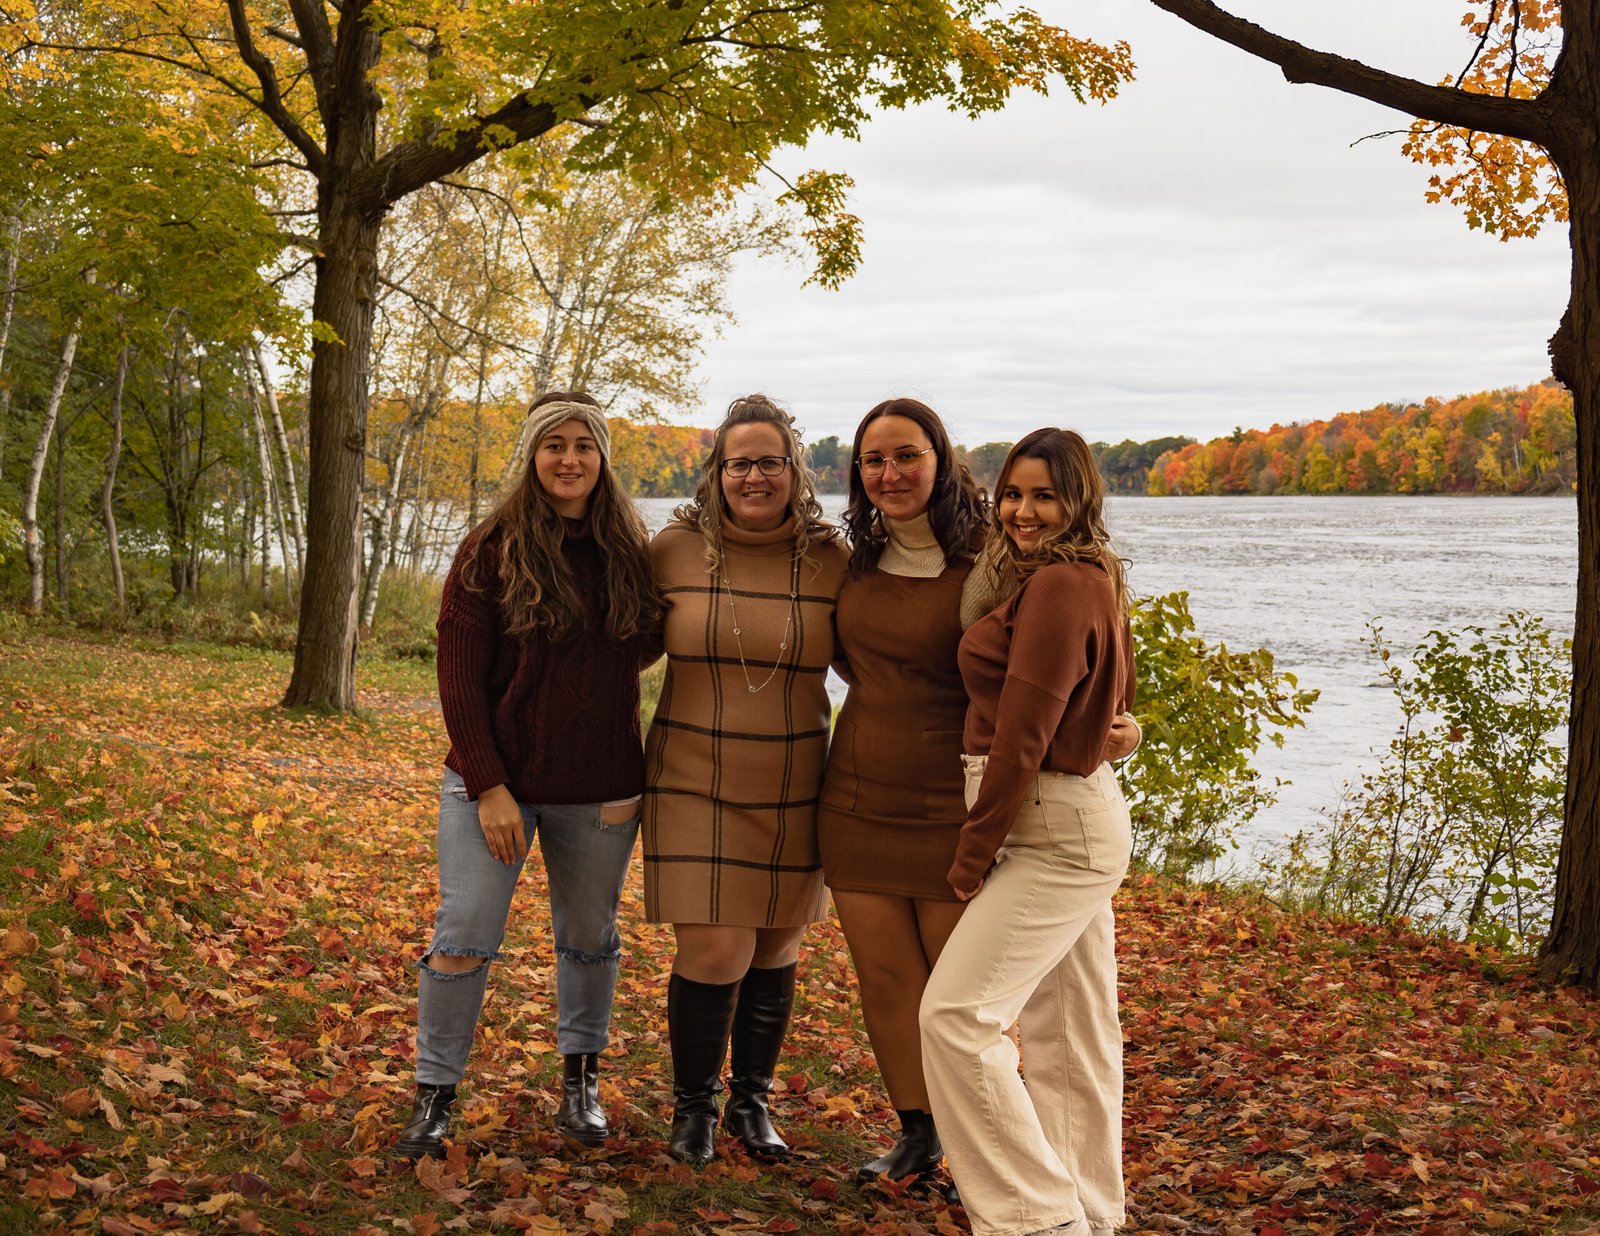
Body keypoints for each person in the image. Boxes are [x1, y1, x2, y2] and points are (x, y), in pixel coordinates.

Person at [820, 402, 1140, 1188]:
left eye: (906, 455)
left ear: (942, 459)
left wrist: (1112, 732)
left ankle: (1002, 1162)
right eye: (872, 461)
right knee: (890, 980)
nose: (889, 474)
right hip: (859, 786)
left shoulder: (997, 560)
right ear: (857, 475)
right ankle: (918, 1134)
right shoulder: (843, 560)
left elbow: (1072, 672)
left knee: (968, 999)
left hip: (967, 802)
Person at [396, 392, 660, 1160]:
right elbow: (458, 679)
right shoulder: (490, 548)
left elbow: (637, 648)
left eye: (584, 444)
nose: (569, 458)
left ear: (603, 457)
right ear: (532, 456)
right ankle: (435, 1096)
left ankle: (581, 1083)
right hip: (493, 783)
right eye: (554, 445)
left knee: (588, 938)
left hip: (602, 785)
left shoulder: (628, 551)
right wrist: (491, 785)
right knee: (465, 935)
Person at [919, 427, 1136, 1236]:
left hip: (1049, 826)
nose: (1023, 510)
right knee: (1071, 1033)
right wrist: (1128, 730)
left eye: (1045, 495)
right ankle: (1088, 1211)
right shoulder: (1075, 578)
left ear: (1079, 499)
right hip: (1067, 813)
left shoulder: (1059, 585)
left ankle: (1037, 1220)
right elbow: (1114, 694)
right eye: (1013, 493)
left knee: (955, 1019)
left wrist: (971, 857)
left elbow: (1021, 737)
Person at [642, 394, 848, 1165]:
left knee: (774, 945)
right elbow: (608, 645)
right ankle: (692, 1107)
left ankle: (750, 1104)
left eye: (769, 461)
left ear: (796, 470)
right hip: (691, 776)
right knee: (717, 947)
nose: (754, 476)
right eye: (739, 463)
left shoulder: (833, 560)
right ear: (716, 473)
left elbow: (888, 664)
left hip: (796, 779)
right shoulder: (673, 550)